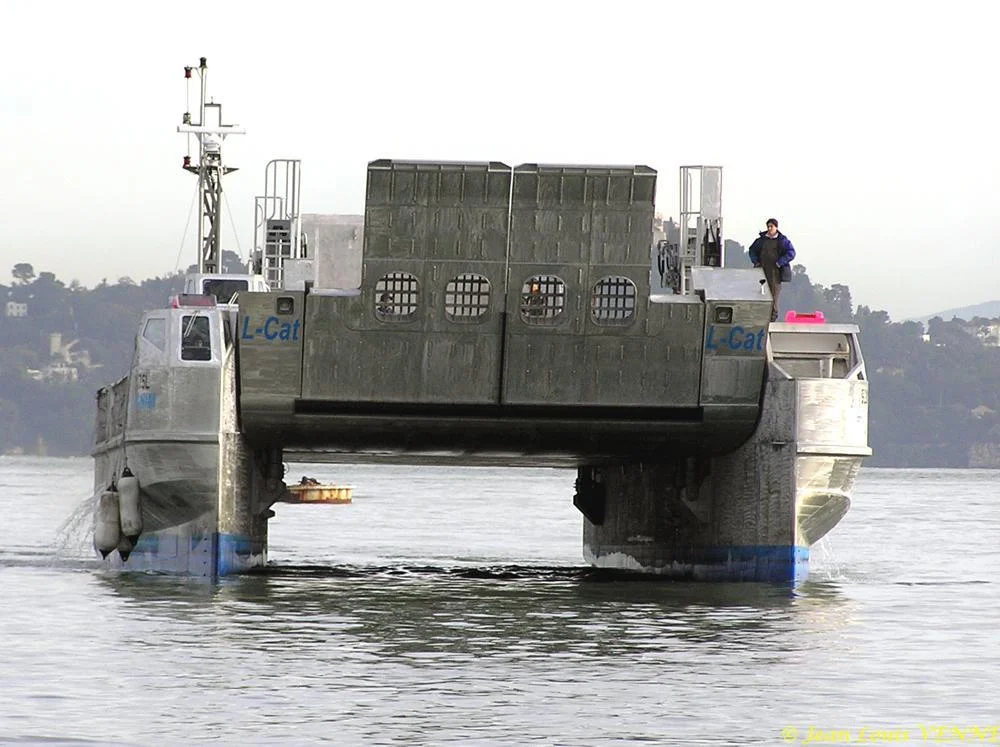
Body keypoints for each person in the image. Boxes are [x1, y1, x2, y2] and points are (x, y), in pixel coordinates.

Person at [748, 218, 796, 322]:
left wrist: (780, 262)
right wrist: (756, 262)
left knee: (774, 295)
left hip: (776, 272)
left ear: (776, 227)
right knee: (760, 293)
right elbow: (752, 250)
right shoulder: (761, 240)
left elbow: (791, 253)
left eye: (772, 226)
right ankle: (758, 317)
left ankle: (772, 319)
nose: (769, 229)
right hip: (761, 270)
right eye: (768, 226)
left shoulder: (782, 241)